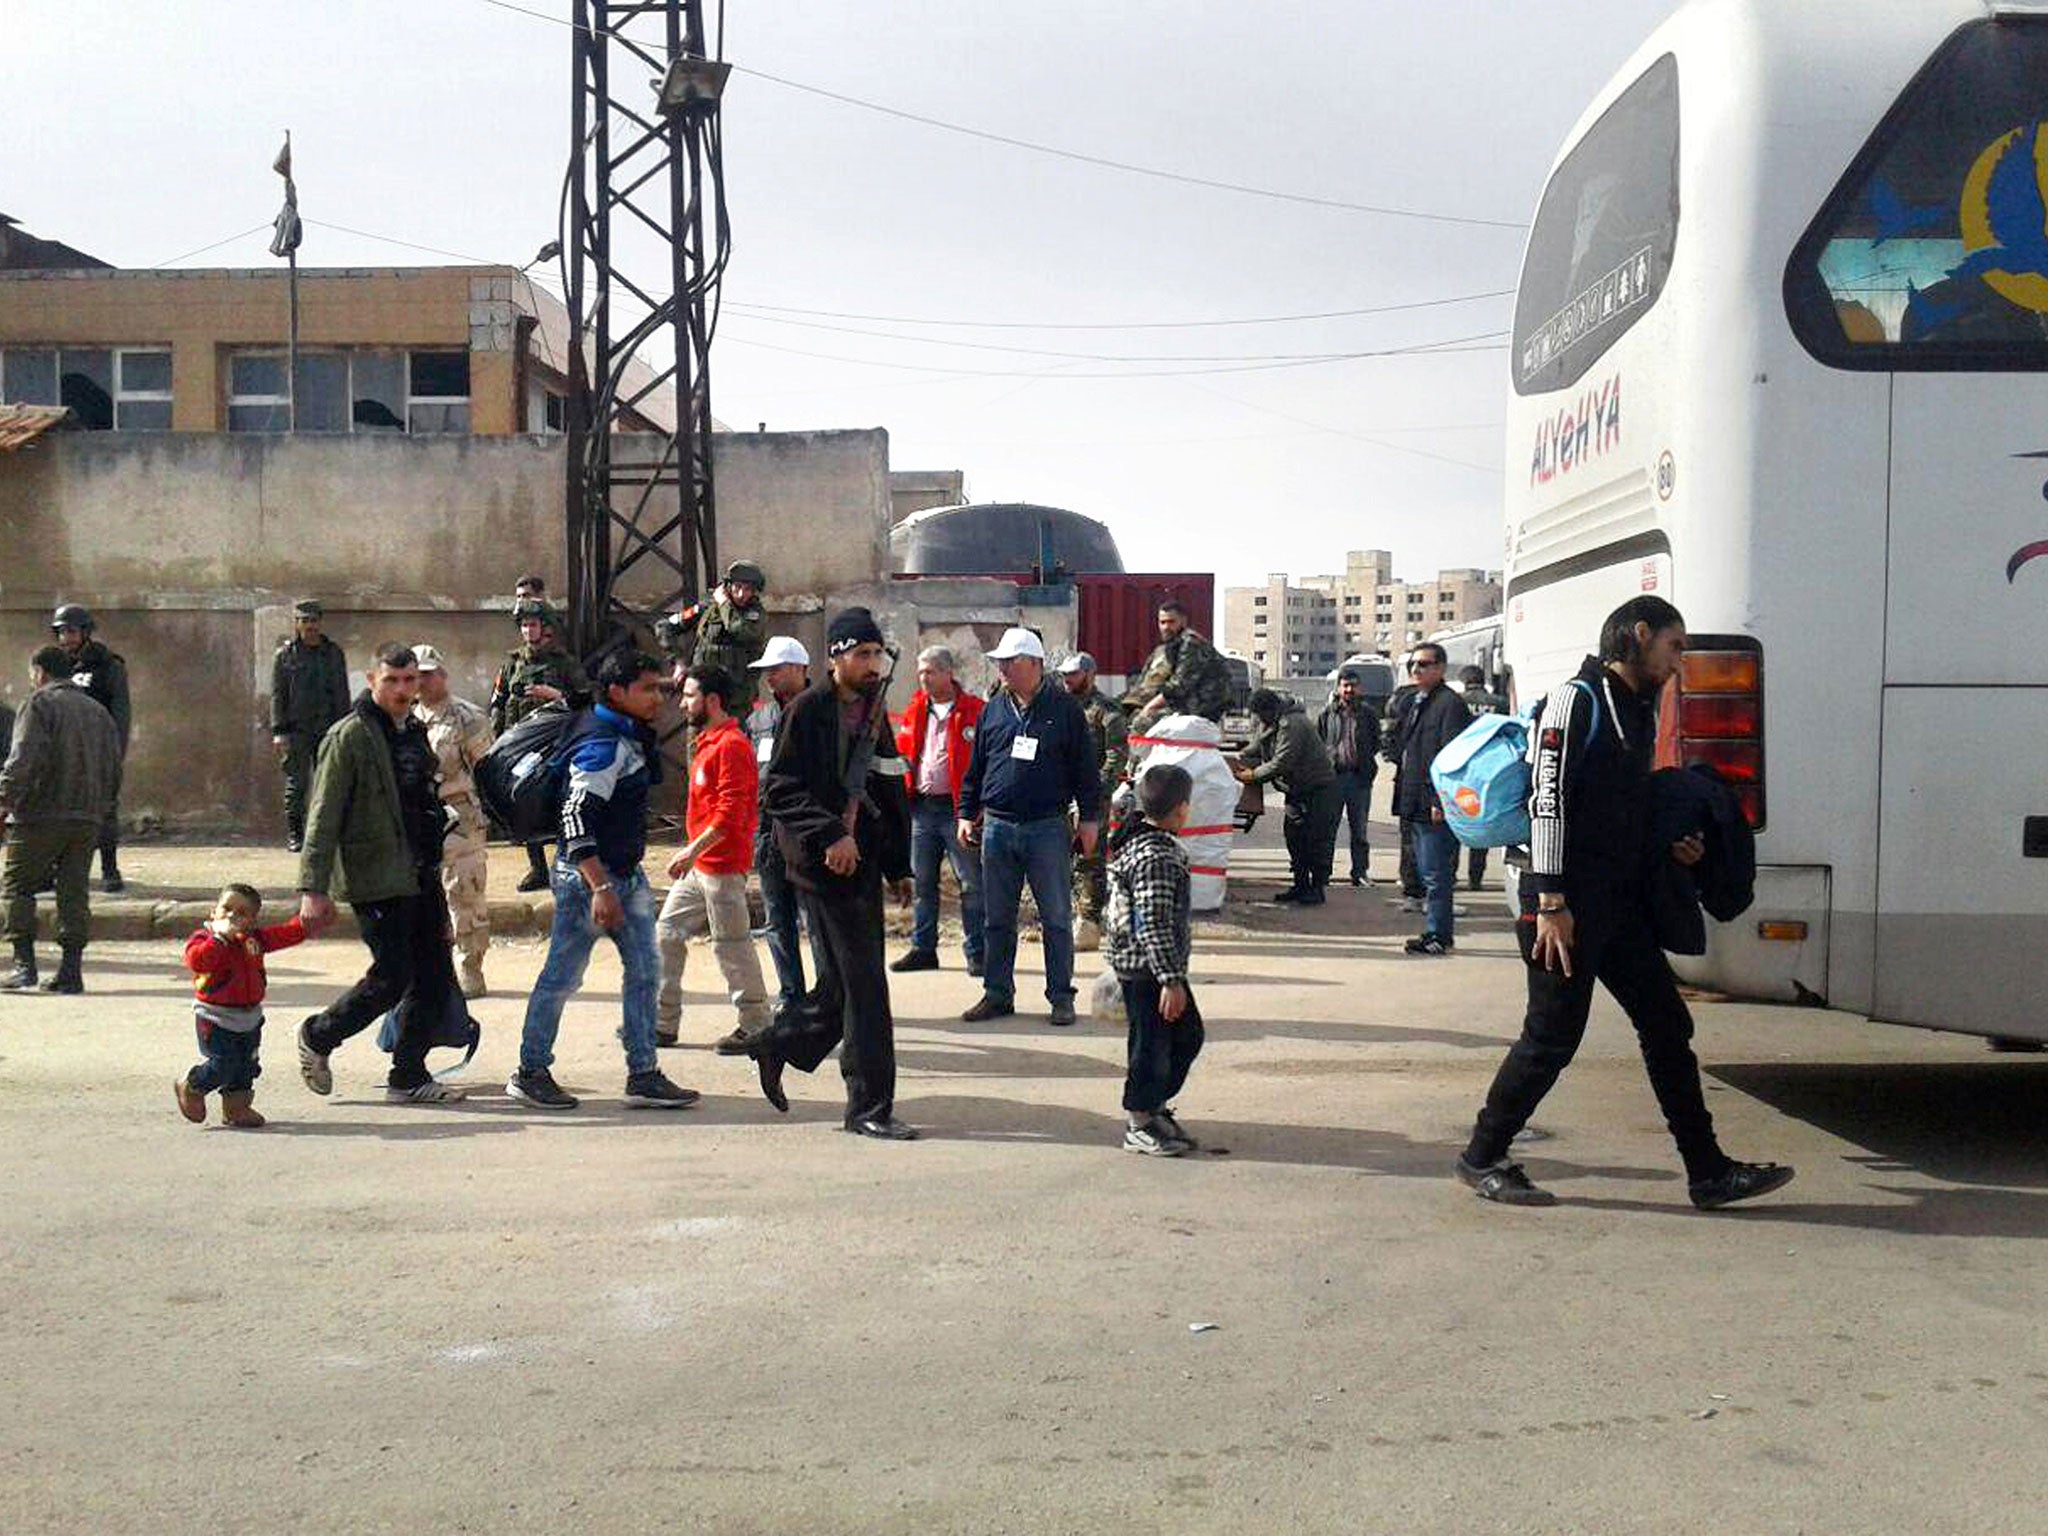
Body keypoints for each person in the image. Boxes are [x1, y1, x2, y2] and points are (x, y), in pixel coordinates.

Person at [1457, 596, 1795, 1210]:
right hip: (1565, 907)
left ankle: (1709, 1172)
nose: (1679, 662)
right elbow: (1548, 802)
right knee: (1551, 1038)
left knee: (1667, 1025)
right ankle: (1483, 1156)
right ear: (1640, 634)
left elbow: (1624, 808)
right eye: (1674, 647)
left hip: (1619, 904)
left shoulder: (1639, 707)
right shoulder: (1577, 699)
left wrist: (1681, 850)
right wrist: (1553, 900)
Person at [752, 607, 918, 1139]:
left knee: (844, 987)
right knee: (868, 988)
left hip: (862, 863)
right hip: (821, 867)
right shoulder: (809, 709)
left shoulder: (873, 711)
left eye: (876, 654)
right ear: (835, 657)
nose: (872, 664)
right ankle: (869, 1109)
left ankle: (778, 1043)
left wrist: (898, 865)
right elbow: (777, 789)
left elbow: (890, 787)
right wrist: (831, 834)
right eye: (861, 654)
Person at [509, 651, 700, 1111]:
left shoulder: (617, 729)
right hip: (590, 880)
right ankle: (530, 1071)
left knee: (645, 970)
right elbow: (575, 817)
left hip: (623, 876)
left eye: (659, 688)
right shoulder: (603, 744)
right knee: (562, 976)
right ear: (617, 693)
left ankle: (644, 1073)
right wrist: (599, 887)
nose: (658, 698)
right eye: (648, 689)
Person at [294, 644, 468, 1105]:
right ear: (372, 681)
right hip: (375, 874)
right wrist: (313, 888)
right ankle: (318, 1035)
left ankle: (408, 1075)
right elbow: (323, 815)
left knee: (432, 975)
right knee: (391, 976)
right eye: (391, 681)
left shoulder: (413, 730)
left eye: (410, 680)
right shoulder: (348, 736)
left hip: (420, 870)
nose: (402, 690)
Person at [957, 627, 1102, 1027]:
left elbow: (1086, 770)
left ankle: (1061, 997)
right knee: (998, 918)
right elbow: (977, 768)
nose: (1001, 668)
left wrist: (1090, 819)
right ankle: (997, 994)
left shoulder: (1065, 709)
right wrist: (967, 813)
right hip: (998, 828)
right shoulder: (994, 710)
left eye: (1009, 662)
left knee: (1055, 917)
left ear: (1034, 665)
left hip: (1047, 828)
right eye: (1000, 662)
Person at [655, 664, 772, 1054]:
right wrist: (693, 855)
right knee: (666, 933)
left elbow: (730, 814)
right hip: (700, 865)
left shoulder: (732, 746)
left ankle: (756, 1025)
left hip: (722, 868)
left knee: (732, 946)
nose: (684, 703)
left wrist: (690, 850)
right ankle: (662, 1023)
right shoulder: (706, 741)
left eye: (690, 696)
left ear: (713, 701)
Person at [0, 646, 123, 993]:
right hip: (87, 816)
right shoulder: (98, 712)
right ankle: (71, 971)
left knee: (18, 887)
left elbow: (24, 757)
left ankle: (24, 965)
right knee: (73, 891)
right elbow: (114, 766)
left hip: (41, 813)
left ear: (40, 672)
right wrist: (103, 807)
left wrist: (5, 798)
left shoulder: (38, 704)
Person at [1106, 763, 1204, 1157]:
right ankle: (1140, 1121)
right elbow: (1153, 923)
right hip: (1147, 969)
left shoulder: (1145, 841)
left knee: (1183, 1036)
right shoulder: (1155, 856)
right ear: (1181, 808)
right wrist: (1170, 979)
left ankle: (1154, 1107)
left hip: (1152, 965)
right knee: (1151, 1046)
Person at [175, 883, 308, 1129]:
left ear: (253, 921)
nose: (233, 915)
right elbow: (198, 961)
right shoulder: (205, 939)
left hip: (249, 1016)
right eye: (226, 908)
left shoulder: (254, 940)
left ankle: (237, 1108)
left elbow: (284, 934)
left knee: (246, 1066)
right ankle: (193, 1085)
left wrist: (307, 923)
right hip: (215, 1016)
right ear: (213, 912)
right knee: (223, 1063)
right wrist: (220, 938)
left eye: (242, 912)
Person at [891, 645, 986, 977]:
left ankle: (978, 952)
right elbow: (904, 754)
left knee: (971, 883)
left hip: (960, 811)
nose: (923, 678)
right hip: (923, 809)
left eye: (930, 671)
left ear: (948, 673)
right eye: (920, 672)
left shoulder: (975, 710)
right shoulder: (915, 709)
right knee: (923, 882)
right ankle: (923, 948)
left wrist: (976, 809)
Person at [746, 636, 824, 1019]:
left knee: (817, 920)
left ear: (799, 669)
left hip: (807, 831)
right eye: (766, 672)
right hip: (767, 830)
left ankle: (828, 997)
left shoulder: (824, 712)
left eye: (775, 670)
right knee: (778, 919)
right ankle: (791, 995)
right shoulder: (760, 719)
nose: (769, 677)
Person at [491, 600, 592, 892]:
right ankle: (537, 869)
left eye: (532, 625)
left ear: (545, 628)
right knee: (523, 805)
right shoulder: (512, 663)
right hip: (521, 750)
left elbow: (586, 699)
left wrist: (556, 695)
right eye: (523, 625)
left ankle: (572, 865)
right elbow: (498, 702)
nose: (527, 631)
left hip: (555, 748)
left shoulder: (563, 663)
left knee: (563, 806)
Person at [413, 643, 495, 998]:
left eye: (429, 673)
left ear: (442, 674)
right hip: (420, 819)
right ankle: (431, 972)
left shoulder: (467, 717)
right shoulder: (406, 718)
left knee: (464, 895)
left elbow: (491, 771)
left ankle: (469, 971)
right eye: (416, 674)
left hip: (460, 818)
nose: (422, 681)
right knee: (421, 901)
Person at [1395, 644, 1472, 955]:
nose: (1417, 670)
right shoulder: (1417, 701)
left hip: (1433, 803)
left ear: (1440, 668)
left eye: (1424, 664)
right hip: (1413, 799)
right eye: (1413, 664)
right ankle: (1436, 932)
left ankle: (1439, 934)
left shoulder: (1450, 705)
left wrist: (1441, 801)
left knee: (1436, 873)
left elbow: (1452, 758)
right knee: (1426, 870)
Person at [1234, 688, 1341, 904]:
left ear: (1270, 709)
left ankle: (1316, 889)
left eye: (1261, 714)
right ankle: (1300, 885)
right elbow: (1258, 746)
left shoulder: (1292, 724)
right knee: (1294, 838)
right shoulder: (1273, 721)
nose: (1259, 719)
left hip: (1318, 790)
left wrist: (1252, 775)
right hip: (1296, 791)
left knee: (1316, 841)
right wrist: (1239, 757)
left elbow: (1282, 762)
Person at [50, 604, 130, 892]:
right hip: (62, 750)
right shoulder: (56, 666)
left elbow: (120, 713)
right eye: (61, 632)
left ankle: (109, 868)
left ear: (85, 632)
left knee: (104, 812)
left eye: (71, 631)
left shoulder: (108, 665)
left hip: (97, 749)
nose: (66, 638)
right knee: (58, 813)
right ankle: (57, 870)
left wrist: (115, 754)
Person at [1057, 651, 1129, 950]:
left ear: (1088, 675)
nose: (1066, 680)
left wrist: (1095, 789)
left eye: (1072, 674)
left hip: (1090, 798)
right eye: (1064, 675)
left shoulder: (1106, 710)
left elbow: (1116, 754)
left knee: (1090, 859)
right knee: (1059, 858)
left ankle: (1088, 924)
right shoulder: (1059, 708)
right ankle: (1063, 918)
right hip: (1058, 795)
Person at [270, 599, 352, 853]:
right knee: (297, 786)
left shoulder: (333, 653)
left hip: (328, 729)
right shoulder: (285, 656)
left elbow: (342, 693)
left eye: (313, 621)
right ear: (296, 624)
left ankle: (327, 833)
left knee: (330, 784)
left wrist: (345, 728)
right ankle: (296, 834)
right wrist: (278, 731)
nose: (310, 626)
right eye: (304, 621)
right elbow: (277, 695)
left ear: (320, 622)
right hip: (296, 731)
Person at [654, 559, 769, 697]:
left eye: (748, 589)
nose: (741, 594)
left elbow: (740, 630)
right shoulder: (708, 609)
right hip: (702, 691)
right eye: (737, 587)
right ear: (728, 586)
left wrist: (724, 603)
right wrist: (678, 661)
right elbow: (665, 626)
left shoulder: (755, 614)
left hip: (737, 696)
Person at [1318, 666, 1383, 886]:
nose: (1349, 690)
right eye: (1345, 685)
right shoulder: (1327, 714)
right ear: (1338, 688)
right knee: (1328, 828)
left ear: (1360, 688)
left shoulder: (1368, 714)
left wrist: (1363, 761)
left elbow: (1375, 742)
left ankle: (1360, 873)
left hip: (1359, 779)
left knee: (1360, 830)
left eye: (1353, 686)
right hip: (1334, 779)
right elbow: (1320, 743)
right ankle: (1323, 873)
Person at [1123, 600, 1232, 726]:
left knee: (1142, 722)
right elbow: (1147, 682)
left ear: (1183, 621)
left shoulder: (1191, 643)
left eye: (1171, 622)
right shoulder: (1165, 648)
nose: (1166, 627)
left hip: (1202, 706)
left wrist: (1148, 708)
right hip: (1183, 702)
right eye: (1162, 622)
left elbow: (1179, 685)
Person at [1381, 657, 1427, 913]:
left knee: (1413, 839)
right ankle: (1419, 891)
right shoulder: (1409, 700)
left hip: (1413, 781)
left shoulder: (1404, 700)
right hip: (1413, 782)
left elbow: (1388, 742)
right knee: (1416, 839)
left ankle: (1415, 891)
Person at [1457, 665, 1507, 892]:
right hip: (1490, 771)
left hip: (1461, 771)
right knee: (1481, 825)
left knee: (1456, 823)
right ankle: (1475, 878)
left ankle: (1449, 876)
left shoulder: (1456, 702)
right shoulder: (1500, 703)